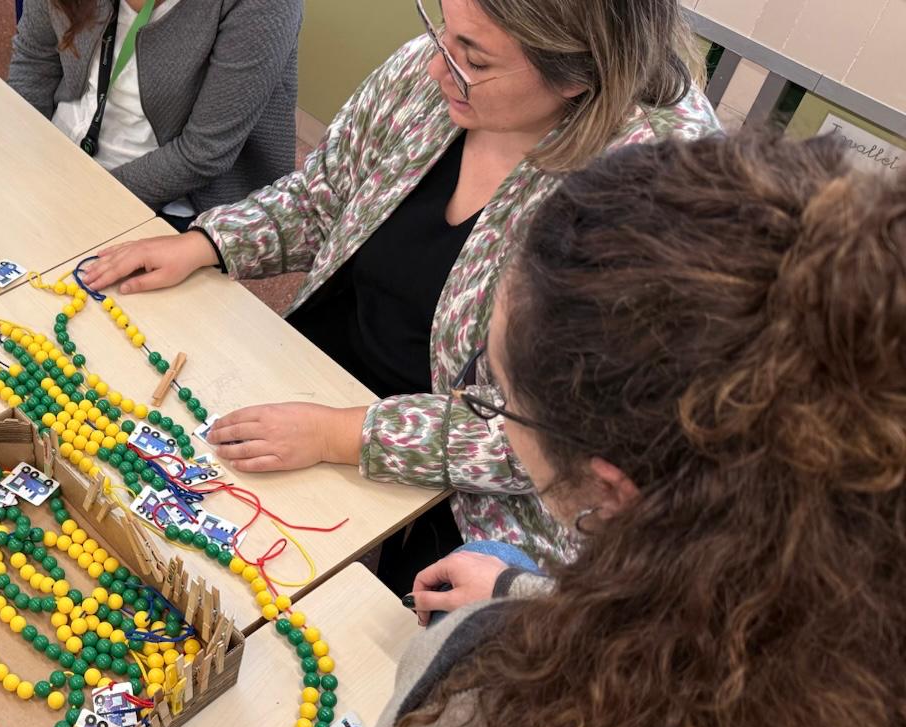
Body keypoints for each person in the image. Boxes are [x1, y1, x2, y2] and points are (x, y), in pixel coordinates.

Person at [265, 131, 906, 727]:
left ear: (612, 489)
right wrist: (531, 594)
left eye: (499, 397)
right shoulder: (850, 646)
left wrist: (515, 625)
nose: (491, 414)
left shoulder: (494, 695)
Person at [79, 0, 719, 591]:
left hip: (489, 492)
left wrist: (342, 435)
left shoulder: (657, 197)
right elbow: (324, 194)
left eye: (475, 61)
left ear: (577, 73)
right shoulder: (436, 66)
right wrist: (208, 243)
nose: (438, 66)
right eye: (444, 30)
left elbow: (551, 431)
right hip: (332, 371)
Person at [8, 0, 300, 229]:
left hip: (164, 201)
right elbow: (35, 60)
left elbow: (203, 153)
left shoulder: (265, 6)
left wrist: (87, 198)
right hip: (56, 156)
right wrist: (23, 151)